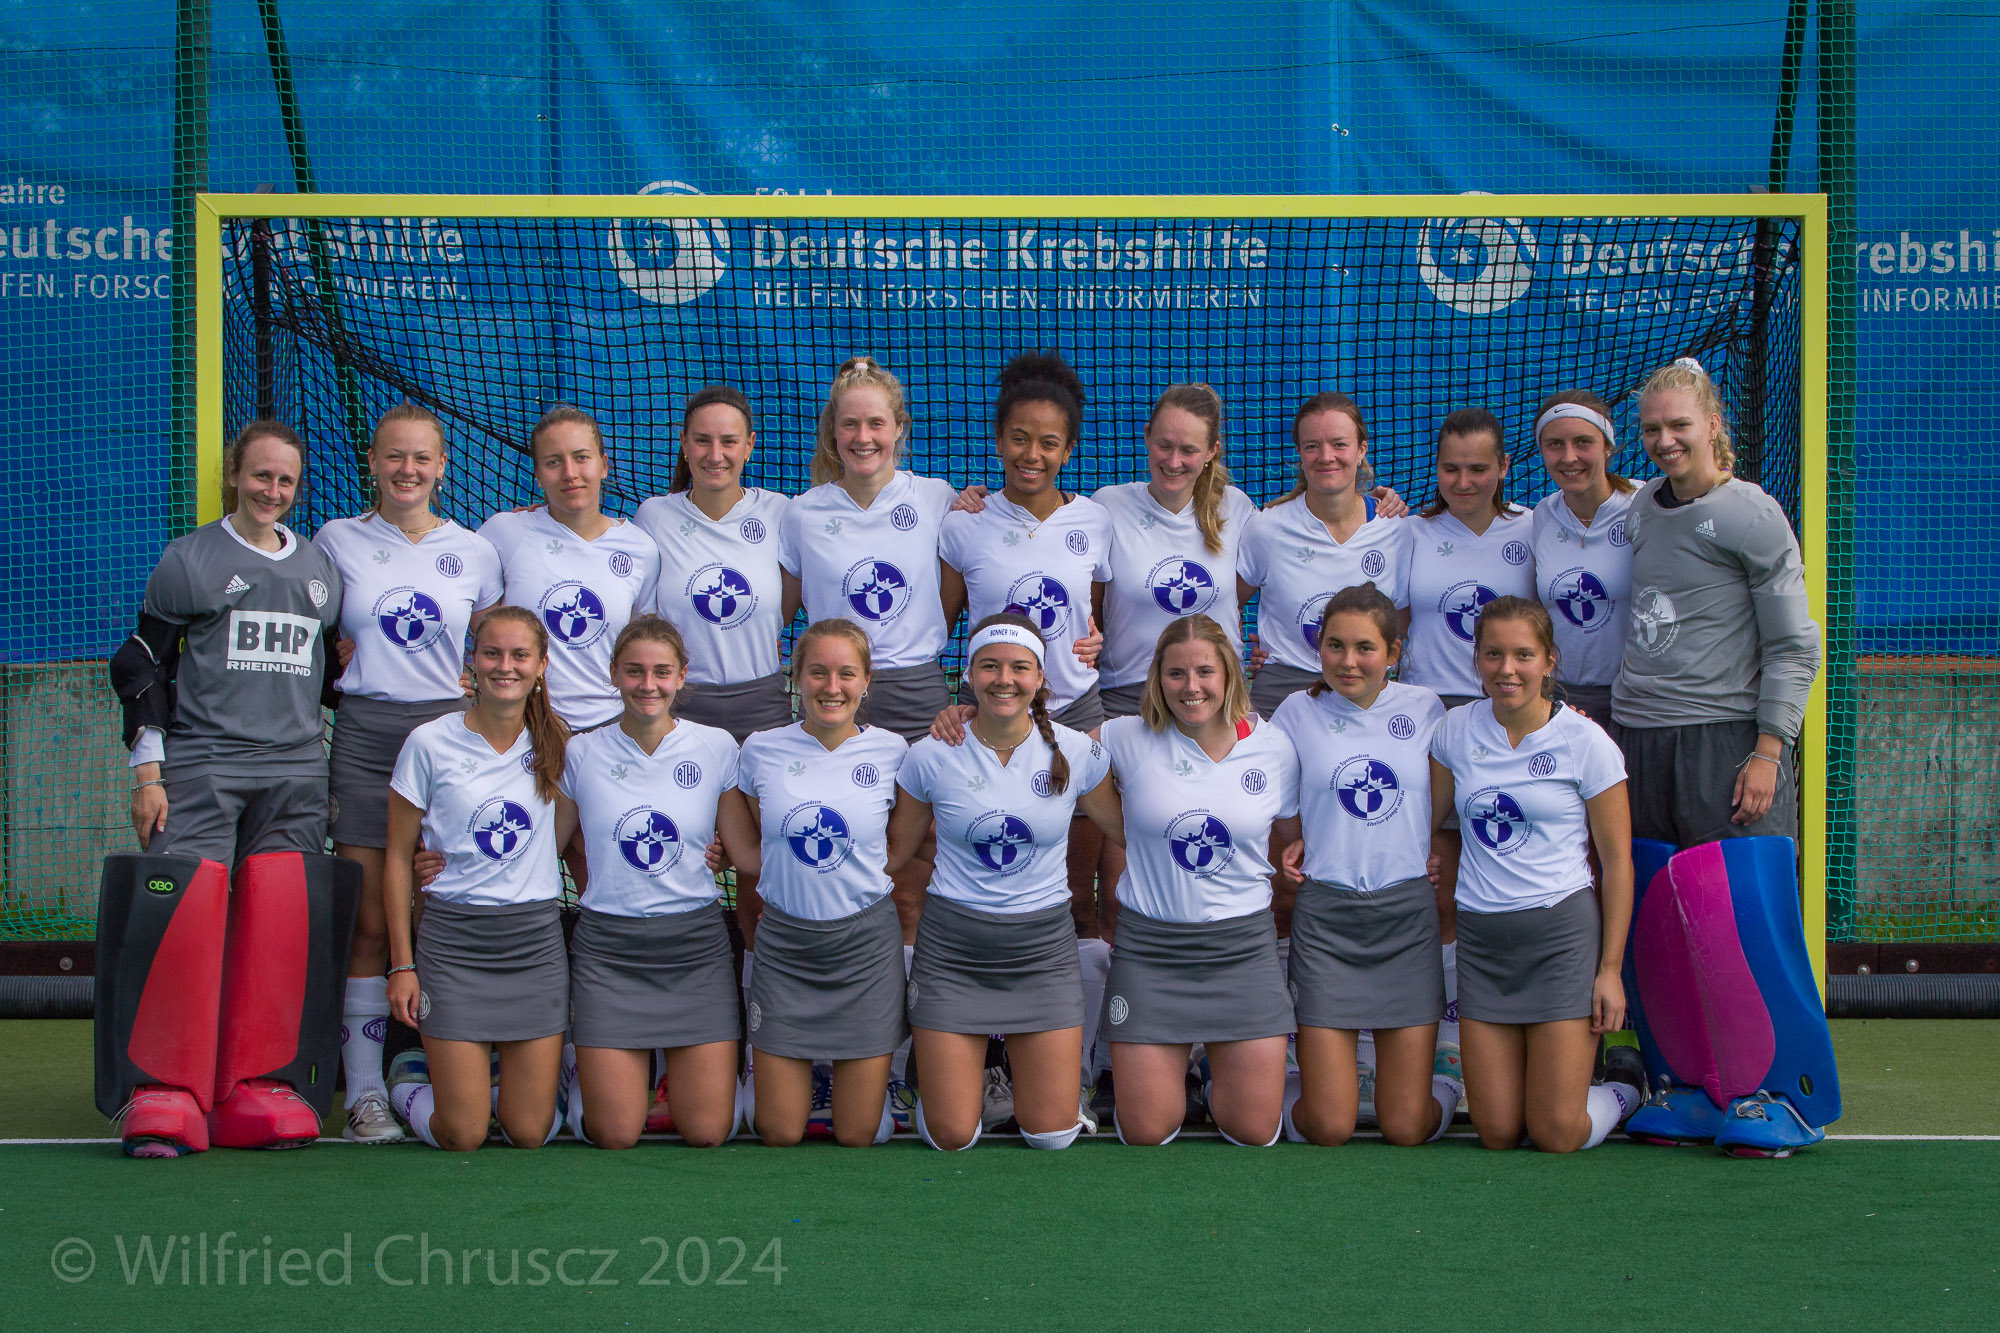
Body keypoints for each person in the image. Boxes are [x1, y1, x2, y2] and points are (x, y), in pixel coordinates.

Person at [101, 420, 350, 1157]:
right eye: (261, 475)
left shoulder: (319, 568)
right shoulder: (190, 559)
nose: (273, 490)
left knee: (278, 919)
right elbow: (141, 665)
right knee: (185, 915)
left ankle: (258, 1083)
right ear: (234, 475)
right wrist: (148, 774)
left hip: (297, 771)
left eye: (286, 480)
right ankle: (166, 1089)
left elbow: (325, 675)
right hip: (203, 764)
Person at [313, 403, 502, 1145]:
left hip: (450, 740)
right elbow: (313, 637)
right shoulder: (336, 541)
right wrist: (332, 662)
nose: (407, 470)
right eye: (394, 455)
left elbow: (499, 642)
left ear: (443, 466)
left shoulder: (476, 550)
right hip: (367, 737)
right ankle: (364, 1094)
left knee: (440, 908)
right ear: (372, 462)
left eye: (422, 457)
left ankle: (440, 1067)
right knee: (369, 917)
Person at [888, 614, 1121, 1150]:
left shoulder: (1078, 752)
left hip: (1041, 953)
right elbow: (896, 851)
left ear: (1040, 678)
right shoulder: (930, 754)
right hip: (954, 953)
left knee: (1052, 1136)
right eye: (989, 666)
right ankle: (948, 1088)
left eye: (1019, 667)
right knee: (951, 1136)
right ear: (969, 675)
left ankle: (1027, 1086)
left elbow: (1130, 832)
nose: (1004, 679)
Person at [1427, 597, 1643, 1151]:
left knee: (1556, 1132)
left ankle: (1625, 1088)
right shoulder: (1454, 731)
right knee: (1498, 1131)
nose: (1507, 669)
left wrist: (1610, 970)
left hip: (1560, 941)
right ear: (1477, 659)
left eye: (1524, 655)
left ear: (1550, 661)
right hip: (1484, 943)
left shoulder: (1586, 742)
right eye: (1493, 654)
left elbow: (1617, 862)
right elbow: (1422, 826)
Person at [1099, 615, 1300, 1147]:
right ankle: (1176, 1075)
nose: (1192, 687)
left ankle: (1211, 1070)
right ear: (1157, 678)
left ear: (1229, 673)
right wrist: (964, 714)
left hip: (1241, 951)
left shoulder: (1274, 747)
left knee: (1254, 1131)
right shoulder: (1125, 736)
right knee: (1147, 1131)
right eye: (1176, 674)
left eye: (1205, 672)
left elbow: (1300, 830)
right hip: (1151, 951)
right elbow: (1040, 746)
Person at [1273, 584, 1460, 1146]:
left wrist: (1418, 842)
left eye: (1365, 648)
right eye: (1335, 645)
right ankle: (1242, 1088)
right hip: (1327, 923)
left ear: (1394, 653)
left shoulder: (1426, 707)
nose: (1348, 661)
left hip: (1405, 920)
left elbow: (1451, 787)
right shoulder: (1295, 712)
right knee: (1330, 1126)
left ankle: (1449, 1085)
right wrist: (1299, 843)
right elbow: (1275, 800)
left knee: (1405, 1127)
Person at [382, 608, 571, 1152]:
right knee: (461, 1134)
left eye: (520, 656)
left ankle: (496, 1081)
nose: (505, 666)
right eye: (492, 653)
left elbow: (576, 832)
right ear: (473, 661)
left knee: (529, 1132)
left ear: (541, 665)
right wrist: (402, 965)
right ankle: (408, 1084)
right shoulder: (428, 743)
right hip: (454, 945)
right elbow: (397, 857)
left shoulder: (562, 744)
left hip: (534, 945)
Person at [1610, 358, 1820, 848]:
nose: (1665, 441)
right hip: (1637, 736)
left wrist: (1769, 750)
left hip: (1721, 739)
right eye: (1652, 429)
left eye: (1679, 425)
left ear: (1712, 424)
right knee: (1654, 892)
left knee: (1731, 895)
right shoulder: (1641, 506)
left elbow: (1793, 646)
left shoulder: (1751, 513)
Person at [557, 616, 749, 1149]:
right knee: (614, 1134)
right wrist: (444, 862)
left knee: (708, 1132)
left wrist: (724, 858)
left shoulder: (716, 746)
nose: (648, 685)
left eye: (662, 672)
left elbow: (746, 851)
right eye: (634, 671)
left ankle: (687, 1085)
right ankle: (577, 1074)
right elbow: (545, 846)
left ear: (682, 676)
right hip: (608, 951)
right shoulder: (581, 752)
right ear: (613, 674)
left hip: (695, 949)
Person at [720, 619, 910, 1147]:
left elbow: (899, 847)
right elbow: (755, 848)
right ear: (796, 678)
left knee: (857, 1134)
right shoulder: (759, 749)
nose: (832, 687)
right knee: (778, 1131)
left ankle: (869, 1092)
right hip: (787, 947)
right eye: (818, 673)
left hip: (865, 949)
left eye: (847, 674)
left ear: (866, 681)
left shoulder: (896, 751)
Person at [479, 406, 661, 734]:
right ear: (537, 474)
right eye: (553, 462)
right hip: (523, 726)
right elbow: (466, 615)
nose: (570, 473)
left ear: (604, 465)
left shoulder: (641, 549)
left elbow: (641, 645)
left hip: (611, 727)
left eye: (581, 458)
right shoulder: (504, 533)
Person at [1237, 392, 1412, 721]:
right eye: (1312, 446)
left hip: (1365, 693)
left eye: (1339, 444)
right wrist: (1238, 658)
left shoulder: (1396, 529)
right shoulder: (1267, 527)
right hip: (1281, 695)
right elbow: (1224, 604)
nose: (1326, 456)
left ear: (1361, 449)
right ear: (1300, 453)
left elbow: (1405, 623)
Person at [634, 385, 795, 740]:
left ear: (749, 445)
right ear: (684, 443)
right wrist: (545, 516)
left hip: (764, 706)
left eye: (729, 442)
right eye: (702, 441)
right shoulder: (653, 517)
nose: (715, 455)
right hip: (679, 707)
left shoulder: (781, 512)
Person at [1529, 391, 1637, 721]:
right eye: (1555, 445)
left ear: (1607, 446)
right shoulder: (1540, 516)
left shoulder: (1645, 504)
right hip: (1562, 698)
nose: (1569, 457)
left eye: (1583, 442)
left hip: (1638, 699)